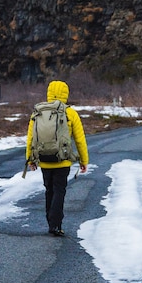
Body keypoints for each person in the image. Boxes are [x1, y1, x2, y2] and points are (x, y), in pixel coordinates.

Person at [26, 80, 88, 236]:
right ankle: (56, 225)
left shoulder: (37, 112)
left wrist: (30, 159)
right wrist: (83, 160)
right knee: (59, 191)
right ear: (65, 94)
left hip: (44, 160)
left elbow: (31, 138)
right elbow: (80, 140)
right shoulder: (71, 113)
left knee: (49, 190)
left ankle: (50, 222)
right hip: (63, 160)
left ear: (48, 92)